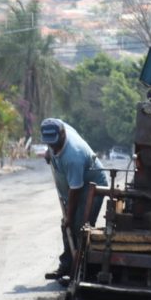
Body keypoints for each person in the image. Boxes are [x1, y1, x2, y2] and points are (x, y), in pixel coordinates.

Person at [40, 118, 109, 280]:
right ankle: (67, 266)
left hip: (91, 186)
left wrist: (69, 217)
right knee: (67, 226)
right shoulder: (56, 127)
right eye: (49, 143)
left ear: (63, 135)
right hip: (76, 185)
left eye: (54, 143)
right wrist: (48, 151)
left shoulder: (73, 155)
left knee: (79, 227)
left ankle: (83, 270)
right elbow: (52, 140)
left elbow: (75, 190)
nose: (52, 147)